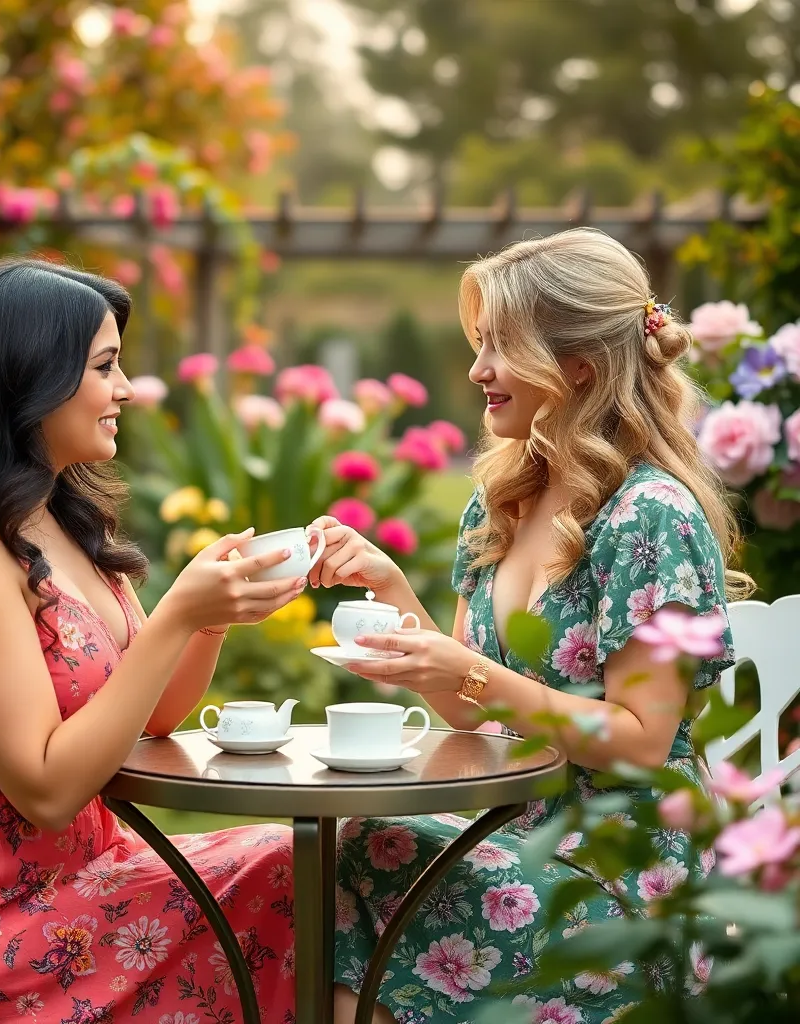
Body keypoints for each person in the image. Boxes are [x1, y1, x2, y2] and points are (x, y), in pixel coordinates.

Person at [0, 258, 300, 1022]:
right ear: (29, 379)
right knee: (298, 874)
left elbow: (155, 718)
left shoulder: (58, 519)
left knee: (334, 864)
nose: (124, 390)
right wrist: (179, 616)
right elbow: (50, 790)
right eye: (105, 366)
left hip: (84, 877)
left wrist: (212, 613)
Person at [315, 228, 750, 1024]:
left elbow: (643, 738)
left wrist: (465, 671)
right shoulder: (504, 497)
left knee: (366, 860)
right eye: (478, 345)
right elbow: (470, 708)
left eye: (499, 348)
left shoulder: (649, 514)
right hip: (511, 821)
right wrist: (390, 587)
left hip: (620, 860)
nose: (477, 371)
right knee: (340, 859)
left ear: (578, 364)